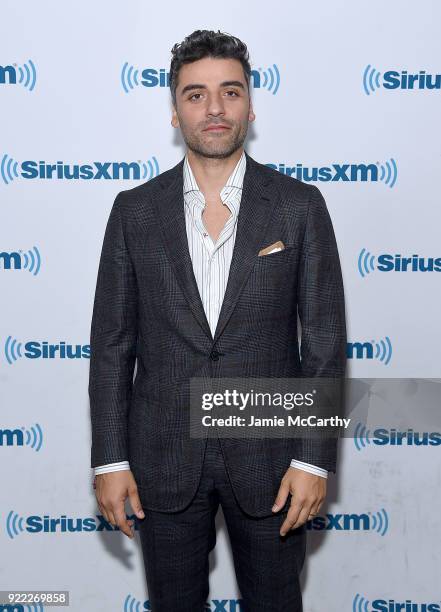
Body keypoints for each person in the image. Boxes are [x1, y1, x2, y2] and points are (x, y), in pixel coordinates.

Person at [89, 29, 347, 612]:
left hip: (273, 459)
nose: (214, 109)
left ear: (250, 106)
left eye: (229, 92)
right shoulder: (133, 211)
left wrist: (313, 458)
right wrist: (109, 459)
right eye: (195, 94)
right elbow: (111, 346)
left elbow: (326, 346)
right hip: (161, 456)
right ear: (175, 111)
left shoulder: (299, 206)